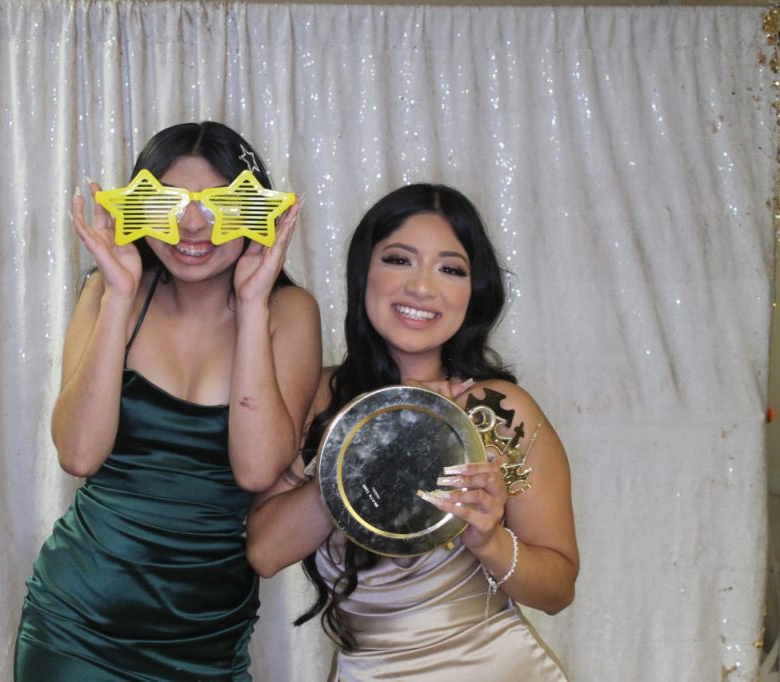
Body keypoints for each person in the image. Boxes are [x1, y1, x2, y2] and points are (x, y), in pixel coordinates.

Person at [15, 121, 322, 681]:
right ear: (139, 207)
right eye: (169, 203)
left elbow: (257, 470)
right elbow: (78, 455)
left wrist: (253, 304)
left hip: (205, 632)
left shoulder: (288, 312)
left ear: (254, 210)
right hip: (77, 624)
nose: (192, 224)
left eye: (217, 204)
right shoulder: (108, 292)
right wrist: (118, 296)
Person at [246, 183, 579, 680]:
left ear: (474, 291)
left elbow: (557, 591)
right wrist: (372, 446)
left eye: (450, 269)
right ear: (364, 273)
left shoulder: (497, 411)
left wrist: (489, 540)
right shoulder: (318, 396)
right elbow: (265, 552)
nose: (422, 287)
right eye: (399, 260)